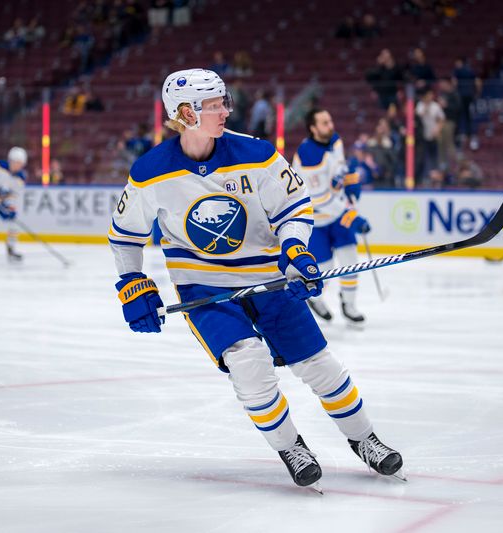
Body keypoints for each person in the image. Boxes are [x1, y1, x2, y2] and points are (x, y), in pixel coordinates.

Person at [108, 69, 403, 491]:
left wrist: (297, 251)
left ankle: (365, 440)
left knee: (318, 364)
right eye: (214, 106)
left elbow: (295, 207)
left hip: (267, 278)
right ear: (185, 113)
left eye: (223, 102)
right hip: (204, 288)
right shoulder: (150, 171)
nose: (225, 111)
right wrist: (132, 283)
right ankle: (291, 447)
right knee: (248, 363)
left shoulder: (258, 154)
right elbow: (125, 235)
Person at [292, 109, 370, 325]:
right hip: (316, 220)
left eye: (330, 120)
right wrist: (350, 216)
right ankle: (316, 299)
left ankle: (349, 304)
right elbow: (320, 199)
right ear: (313, 128)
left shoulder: (334, 140)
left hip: (337, 215)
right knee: (324, 268)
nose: (331, 125)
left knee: (350, 259)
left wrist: (350, 180)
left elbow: (339, 169)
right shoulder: (309, 156)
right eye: (325, 122)